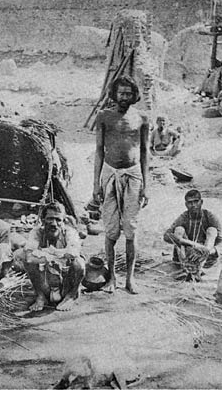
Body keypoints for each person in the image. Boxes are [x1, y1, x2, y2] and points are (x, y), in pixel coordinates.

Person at [92, 75, 149, 295]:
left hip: (133, 175)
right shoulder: (104, 116)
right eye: (121, 93)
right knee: (111, 229)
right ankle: (112, 277)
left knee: (131, 229)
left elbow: (145, 152)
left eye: (128, 93)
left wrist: (146, 185)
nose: (124, 97)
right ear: (114, 95)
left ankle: (130, 278)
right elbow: (99, 151)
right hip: (109, 172)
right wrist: (95, 184)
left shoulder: (142, 117)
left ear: (134, 95)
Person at [15, 202, 85, 311]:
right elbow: (29, 256)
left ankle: (71, 296)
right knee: (25, 258)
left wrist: (49, 252)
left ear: (63, 221)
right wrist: (55, 255)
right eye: (50, 219)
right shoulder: (37, 232)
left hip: (66, 276)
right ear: (43, 220)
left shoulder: (69, 232)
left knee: (79, 263)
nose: (54, 223)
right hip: (47, 275)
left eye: (58, 220)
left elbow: (74, 252)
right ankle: (40, 296)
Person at [163, 189, 222, 281]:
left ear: (201, 202)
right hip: (186, 255)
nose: (193, 205)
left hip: (206, 258)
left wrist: (207, 251)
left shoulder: (209, 216)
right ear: (186, 205)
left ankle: (199, 269)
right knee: (179, 230)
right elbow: (166, 235)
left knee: (212, 230)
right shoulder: (183, 217)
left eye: (196, 201)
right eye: (190, 202)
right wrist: (193, 245)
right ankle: (186, 269)